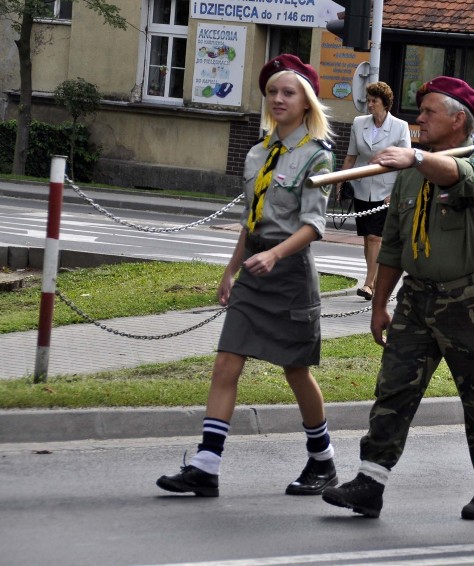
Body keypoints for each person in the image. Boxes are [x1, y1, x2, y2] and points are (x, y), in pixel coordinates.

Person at [321, 76, 474, 519]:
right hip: (417, 299)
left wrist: (417, 156)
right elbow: (392, 244)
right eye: (419, 111)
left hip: (470, 299)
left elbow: (457, 174)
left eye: (428, 112)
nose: (419, 118)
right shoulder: (409, 171)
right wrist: (379, 303)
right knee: (394, 388)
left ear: (457, 119)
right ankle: (370, 481)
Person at [156, 54, 338, 497]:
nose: (278, 98)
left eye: (288, 92)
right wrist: (229, 271)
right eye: (272, 92)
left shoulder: (317, 157)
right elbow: (249, 221)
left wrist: (275, 255)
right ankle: (206, 465)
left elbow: (314, 226)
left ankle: (323, 461)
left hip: (290, 275)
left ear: (306, 102)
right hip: (255, 274)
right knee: (226, 362)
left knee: (296, 371)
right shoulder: (258, 152)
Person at [337, 82, 412, 300]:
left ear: (385, 103)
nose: (369, 105)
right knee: (367, 238)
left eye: (374, 101)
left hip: (386, 191)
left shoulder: (400, 126)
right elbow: (351, 156)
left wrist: (396, 191)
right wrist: (339, 182)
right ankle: (375, 281)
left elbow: (405, 162)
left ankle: (369, 283)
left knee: (374, 238)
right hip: (361, 189)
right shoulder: (359, 123)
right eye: (368, 100)